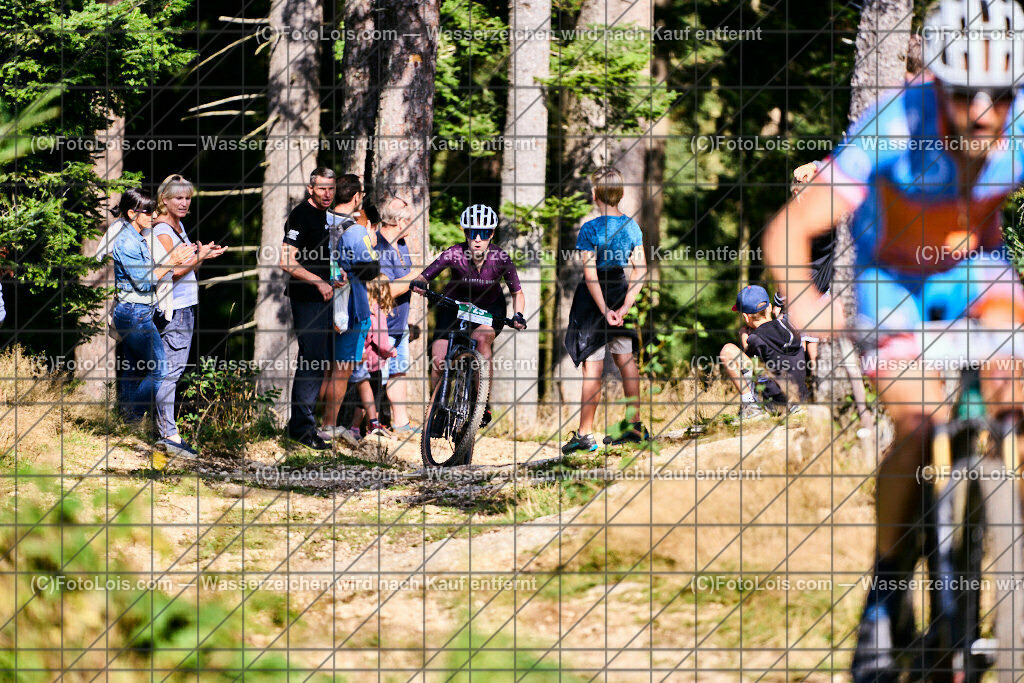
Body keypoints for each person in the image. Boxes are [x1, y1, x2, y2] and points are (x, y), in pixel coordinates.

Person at [761, 0, 1024, 677]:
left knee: (1018, 394)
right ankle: (885, 590)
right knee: (918, 422)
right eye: (966, 93)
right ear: (937, 82)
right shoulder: (894, 126)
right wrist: (808, 304)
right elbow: (788, 231)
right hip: (892, 284)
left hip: (976, 272)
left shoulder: (1018, 126)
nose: (985, 113)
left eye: (1003, 94)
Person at [411, 203, 526, 427]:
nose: (477, 239)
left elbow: (517, 292)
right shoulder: (454, 253)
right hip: (454, 309)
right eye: (472, 233)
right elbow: (425, 276)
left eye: (483, 234)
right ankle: (436, 408)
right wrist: (419, 282)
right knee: (439, 358)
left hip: (489, 311)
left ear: (491, 234)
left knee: (482, 340)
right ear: (465, 233)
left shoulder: (500, 258)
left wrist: (519, 314)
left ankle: (481, 403)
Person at [562, 167, 649, 454]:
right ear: (621, 193)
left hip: (593, 302)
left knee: (593, 367)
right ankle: (634, 425)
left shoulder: (590, 229)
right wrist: (624, 307)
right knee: (626, 360)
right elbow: (641, 270)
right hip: (620, 291)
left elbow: (590, 275)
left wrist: (605, 310)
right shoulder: (632, 227)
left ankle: (586, 434)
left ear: (594, 193)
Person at [149, 174, 226, 457]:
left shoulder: (177, 225)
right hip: (175, 309)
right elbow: (173, 270)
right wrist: (201, 256)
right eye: (178, 198)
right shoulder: (163, 230)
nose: (183, 203)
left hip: (184, 305)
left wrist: (202, 255)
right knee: (170, 371)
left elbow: (186, 266)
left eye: (187, 198)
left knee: (169, 370)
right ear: (164, 199)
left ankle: (164, 431)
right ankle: (168, 435)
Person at [109, 189, 193, 431]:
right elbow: (144, 281)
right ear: (131, 213)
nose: (153, 214)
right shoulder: (126, 242)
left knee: (134, 367)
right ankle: (131, 419)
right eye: (148, 211)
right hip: (134, 312)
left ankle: (122, 420)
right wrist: (172, 262)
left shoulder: (138, 236)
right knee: (160, 370)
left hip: (140, 311)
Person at [320, 176, 380, 445]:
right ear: (356, 197)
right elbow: (371, 268)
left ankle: (310, 422)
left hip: (319, 305)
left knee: (323, 369)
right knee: (341, 370)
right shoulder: (355, 230)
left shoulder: (320, 221)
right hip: (350, 308)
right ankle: (328, 426)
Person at [281, 167, 337, 450]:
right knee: (312, 360)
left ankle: (303, 427)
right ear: (310, 188)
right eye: (322, 188)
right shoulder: (301, 214)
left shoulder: (326, 217)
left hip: (324, 298)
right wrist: (318, 282)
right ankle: (302, 430)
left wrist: (332, 278)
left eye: (331, 188)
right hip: (306, 297)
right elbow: (286, 261)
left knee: (317, 361)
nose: (327, 193)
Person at [720, 286, 807, 419]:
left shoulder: (755, 339)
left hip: (777, 404)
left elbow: (747, 365)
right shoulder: (789, 326)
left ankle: (751, 406)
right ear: (769, 308)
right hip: (801, 397)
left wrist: (745, 340)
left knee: (727, 351)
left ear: (745, 317)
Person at [376, 195, 418, 433]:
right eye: (410, 220)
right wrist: (419, 275)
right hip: (381, 325)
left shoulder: (401, 245)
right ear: (400, 223)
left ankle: (401, 424)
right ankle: (361, 426)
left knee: (398, 371)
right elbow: (386, 290)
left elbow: (406, 279)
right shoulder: (378, 246)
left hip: (399, 323)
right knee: (375, 376)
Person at [346, 275, 397, 440]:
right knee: (372, 398)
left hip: (361, 362)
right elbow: (380, 340)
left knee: (361, 399)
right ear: (382, 291)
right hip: (373, 364)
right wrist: (391, 350)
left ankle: (355, 428)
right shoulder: (377, 313)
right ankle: (370, 426)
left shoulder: (363, 310)